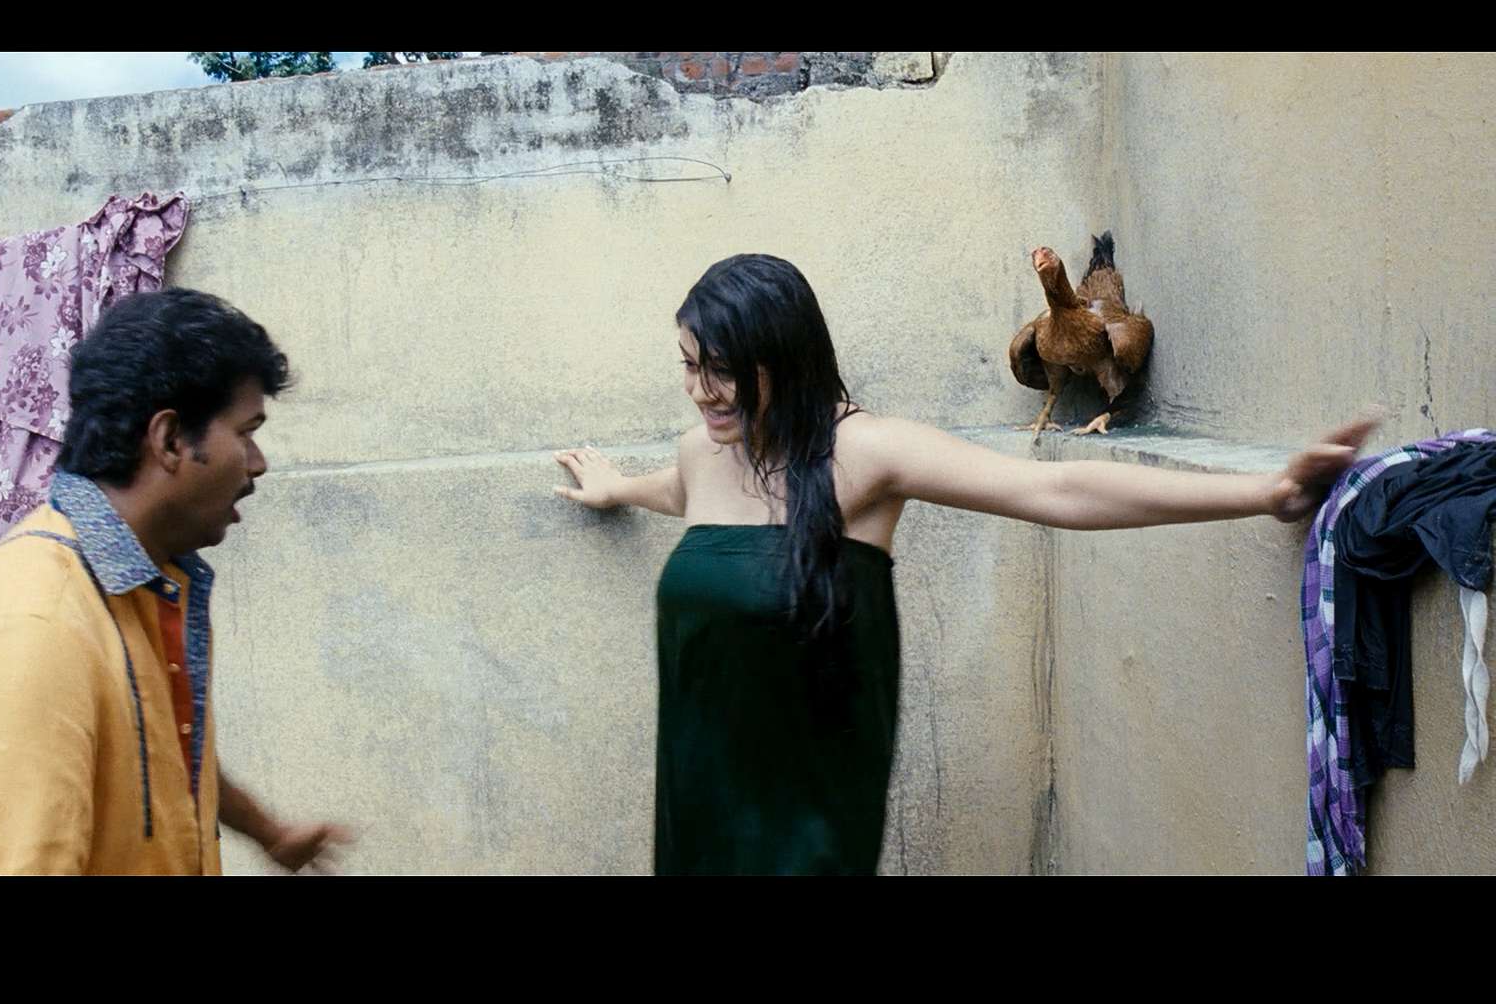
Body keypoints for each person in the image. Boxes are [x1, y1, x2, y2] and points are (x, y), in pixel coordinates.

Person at [553, 253, 1372, 875]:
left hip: (807, 818)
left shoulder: (868, 453)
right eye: (689, 365)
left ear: (785, 357)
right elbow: (682, 495)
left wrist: (1266, 491)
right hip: (697, 800)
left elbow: (1060, 492)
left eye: (723, 369)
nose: (701, 390)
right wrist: (617, 488)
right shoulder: (701, 454)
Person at [0, 287, 352, 874]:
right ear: (169, 440)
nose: (258, 462)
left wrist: (268, 832)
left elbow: (156, 746)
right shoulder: (35, 630)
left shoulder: (144, 578)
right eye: (245, 432)